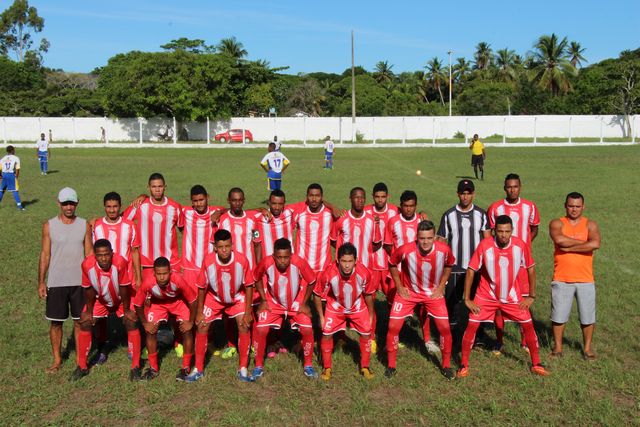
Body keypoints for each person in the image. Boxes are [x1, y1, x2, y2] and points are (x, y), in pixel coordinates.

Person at [457, 215, 550, 378]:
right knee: (471, 325)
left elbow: (531, 268)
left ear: (512, 231)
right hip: (486, 297)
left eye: (507, 231)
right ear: (494, 231)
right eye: (500, 231)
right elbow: (471, 270)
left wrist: (531, 296)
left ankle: (536, 364)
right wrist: (467, 298)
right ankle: (463, 365)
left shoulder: (520, 245)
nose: (503, 235)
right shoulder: (485, 245)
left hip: (511, 298)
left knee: (528, 325)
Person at [386, 220, 455, 380]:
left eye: (429, 238)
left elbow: (449, 265)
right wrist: (399, 286)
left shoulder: (444, 250)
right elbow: (392, 263)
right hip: (409, 293)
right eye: (422, 238)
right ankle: (391, 366)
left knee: (444, 328)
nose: (425, 242)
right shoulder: (406, 249)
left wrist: (441, 286)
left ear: (434, 237)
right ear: (417, 237)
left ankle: (445, 366)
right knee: (393, 326)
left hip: (432, 294)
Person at [188, 229, 255, 382]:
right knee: (202, 325)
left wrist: (248, 311)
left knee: (244, 325)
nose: (224, 250)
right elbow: (202, 287)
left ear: (232, 245)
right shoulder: (208, 261)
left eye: (227, 246)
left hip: (237, 298)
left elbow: (249, 286)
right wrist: (199, 312)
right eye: (221, 247)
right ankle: (198, 369)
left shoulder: (242, 260)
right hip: (215, 299)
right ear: (215, 248)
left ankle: (243, 368)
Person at [38, 187, 93, 373]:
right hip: (56, 282)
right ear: (59, 203)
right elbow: (45, 255)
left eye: (71, 203)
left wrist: (92, 281)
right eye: (65, 203)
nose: (68, 207)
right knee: (56, 323)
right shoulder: (49, 226)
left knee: (80, 322)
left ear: (77, 203)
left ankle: (80, 359)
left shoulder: (84, 225)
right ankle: (57, 360)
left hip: (79, 283)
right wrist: (41, 281)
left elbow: (89, 254)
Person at [74, 239, 141, 381]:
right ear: (95, 255)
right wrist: (89, 311)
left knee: (131, 321)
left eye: (106, 254)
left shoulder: (120, 262)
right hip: (100, 299)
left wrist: (127, 309)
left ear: (112, 253)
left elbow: (124, 287)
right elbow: (89, 288)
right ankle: (82, 366)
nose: (103, 258)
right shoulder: (87, 265)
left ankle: (135, 366)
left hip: (121, 298)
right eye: (100, 255)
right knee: (85, 322)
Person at [487, 173, 540, 353]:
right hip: (502, 263)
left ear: (520, 187)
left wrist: (524, 245)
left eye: (515, 186)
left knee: (525, 300)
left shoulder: (530, 207)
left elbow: (535, 228)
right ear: (504, 188)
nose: (512, 190)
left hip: (523, 264)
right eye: (509, 187)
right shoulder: (495, 208)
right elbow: (490, 233)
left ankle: (526, 340)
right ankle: (499, 340)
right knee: (499, 302)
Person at [251, 238, 318, 379]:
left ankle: (308, 365)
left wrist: (305, 303)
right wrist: (263, 300)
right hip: (273, 302)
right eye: (279, 257)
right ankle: (258, 366)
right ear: (274, 256)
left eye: (286, 257)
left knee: (307, 329)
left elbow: (312, 280)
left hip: (295, 302)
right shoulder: (266, 262)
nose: (283, 261)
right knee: (261, 329)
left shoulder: (298, 262)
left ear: (291, 255)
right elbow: (256, 278)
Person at [90, 192, 142, 363]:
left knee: (129, 314)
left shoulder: (129, 225)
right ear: (104, 207)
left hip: (125, 279)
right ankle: (103, 346)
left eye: (115, 206)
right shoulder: (97, 227)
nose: (112, 210)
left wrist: (138, 277)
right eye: (108, 207)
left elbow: (135, 252)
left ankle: (132, 346)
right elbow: (92, 253)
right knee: (100, 315)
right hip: (103, 279)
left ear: (120, 207)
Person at [548, 192, 601, 359]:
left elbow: (596, 243)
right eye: (571, 206)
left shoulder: (590, 225)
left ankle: (587, 349)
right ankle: (558, 348)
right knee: (559, 315)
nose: (574, 209)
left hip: (586, 278)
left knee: (587, 316)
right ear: (565, 205)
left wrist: (570, 246)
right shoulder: (557, 223)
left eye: (578, 206)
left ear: (583, 207)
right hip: (562, 278)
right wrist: (586, 244)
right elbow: (559, 240)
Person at [384, 190, 437, 353]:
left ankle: (427, 339)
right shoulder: (393, 221)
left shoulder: (421, 221)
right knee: (394, 307)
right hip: (399, 272)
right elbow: (387, 245)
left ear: (416, 206)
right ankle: (393, 338)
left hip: (418, 272)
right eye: (405, 206)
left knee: (423, 307)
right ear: (401, 206)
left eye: (412, 206)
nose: (408, 209)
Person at [436, 180, 491, 338]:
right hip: (455, 267)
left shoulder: (481, 214)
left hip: (475, 268)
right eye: (462, 193)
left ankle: (477, 335)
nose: (465, 197)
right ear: (458, 194)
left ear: (473, 194)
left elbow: (487, 242)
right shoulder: (449, 215)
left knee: (476, 302)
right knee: (452, 302)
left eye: (468, 193)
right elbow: (442, 242)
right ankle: (450, 335)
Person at [314, 243, 376, 380]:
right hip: (335, 308)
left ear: (356, 260)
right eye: (343, 261)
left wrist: (370, 314)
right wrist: (321, 316)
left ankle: (365, 367)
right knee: (326, 335)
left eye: (350, 261)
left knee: (366, 334)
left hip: (357, 307)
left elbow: (368, 295)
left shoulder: (364, 273)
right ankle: (327, 367)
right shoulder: (329, 273)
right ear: (338, 261)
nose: (347, 265)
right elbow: (317, 294)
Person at [331, 187, 381, 350]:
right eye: (356, 197)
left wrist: (363, 259)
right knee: (340, 302)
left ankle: (370, 339)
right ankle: (339, 336)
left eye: (362, 198)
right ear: (350, 199)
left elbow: (377, 243)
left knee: (368, 304)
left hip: (366, 271)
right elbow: (333, 240)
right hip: (344, 272)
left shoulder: (371, 220)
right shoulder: (342, 219)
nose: (359, 200)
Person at [133, 257, 196, 381]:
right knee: (150, 331)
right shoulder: (148, 282)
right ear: (154, 273)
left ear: (170, 272)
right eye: (159, 274)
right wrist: (145, 323)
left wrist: (191, 322)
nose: (162, 277)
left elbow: (193, 301)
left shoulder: (178, 279)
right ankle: (153, 368)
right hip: (158, 304)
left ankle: (186, 367)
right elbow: (137, 304)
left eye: (165, 274)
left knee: (187, 330)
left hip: (178, 302)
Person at [179, 185, 223, 292]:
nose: (199, 203)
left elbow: (233, 208)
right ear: (192, 202)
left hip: (209, 264)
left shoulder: (216, 211)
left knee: (210, 296)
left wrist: (221, 212)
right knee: (191, 298)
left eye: (201, 200)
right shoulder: (186, 211)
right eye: (195, 201)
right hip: (190, 266)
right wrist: (144, 196)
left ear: (208, 197)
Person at [0, 145, 25, 210]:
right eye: (14, 150)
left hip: (4, 175)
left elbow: (0, 168)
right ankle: (20, 207)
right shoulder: (16, 158)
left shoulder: (3, 158)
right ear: (12, 150)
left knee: (1, 190)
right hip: (11, 175)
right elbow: (17, 169)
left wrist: (0, 175)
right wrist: (16, 176)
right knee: (15, 191)